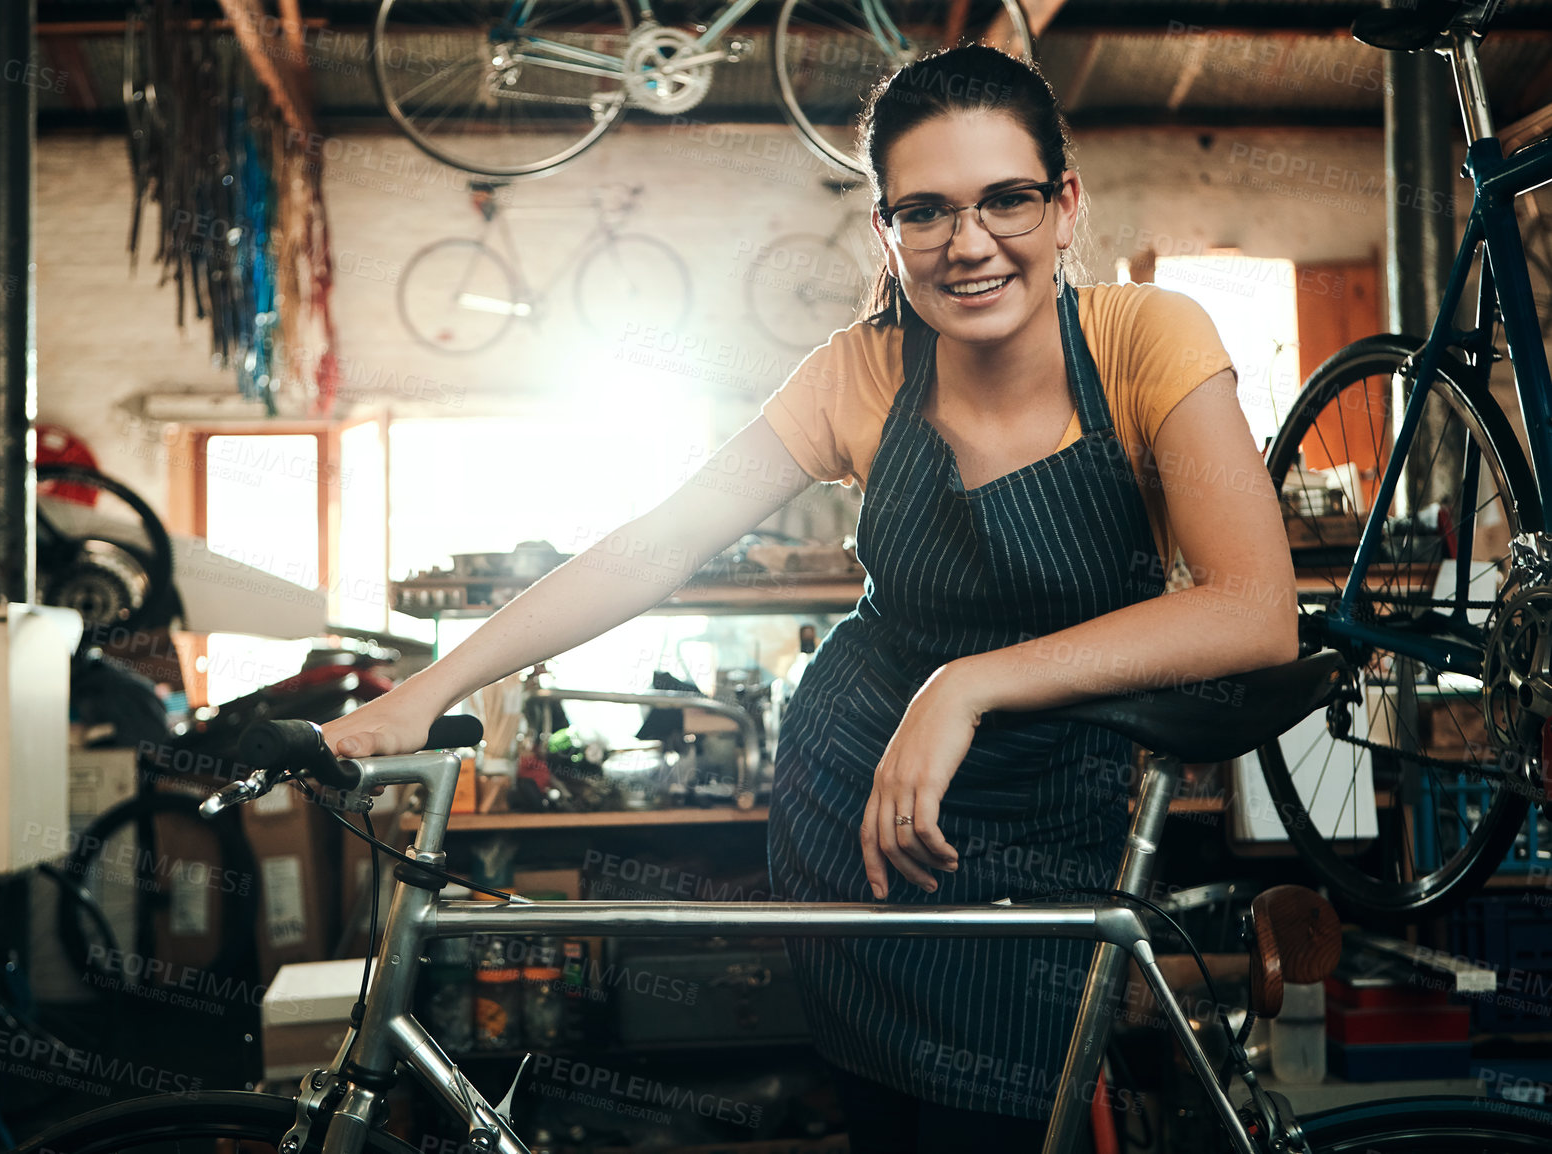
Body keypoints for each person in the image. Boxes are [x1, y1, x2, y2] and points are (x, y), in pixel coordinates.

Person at [326, 44, 1296, 1153]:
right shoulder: (858, 372)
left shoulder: (1145, 339)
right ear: (886, 230)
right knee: (887, 1124)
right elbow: (655, 545)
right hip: (856, 817)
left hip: (1042, 827)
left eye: (1006, 200)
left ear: (1065, 206)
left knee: (1002, 1120)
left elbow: (1253, 610)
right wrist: (432, 687)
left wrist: (966, 685)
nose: (968, 243)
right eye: (924, 211)